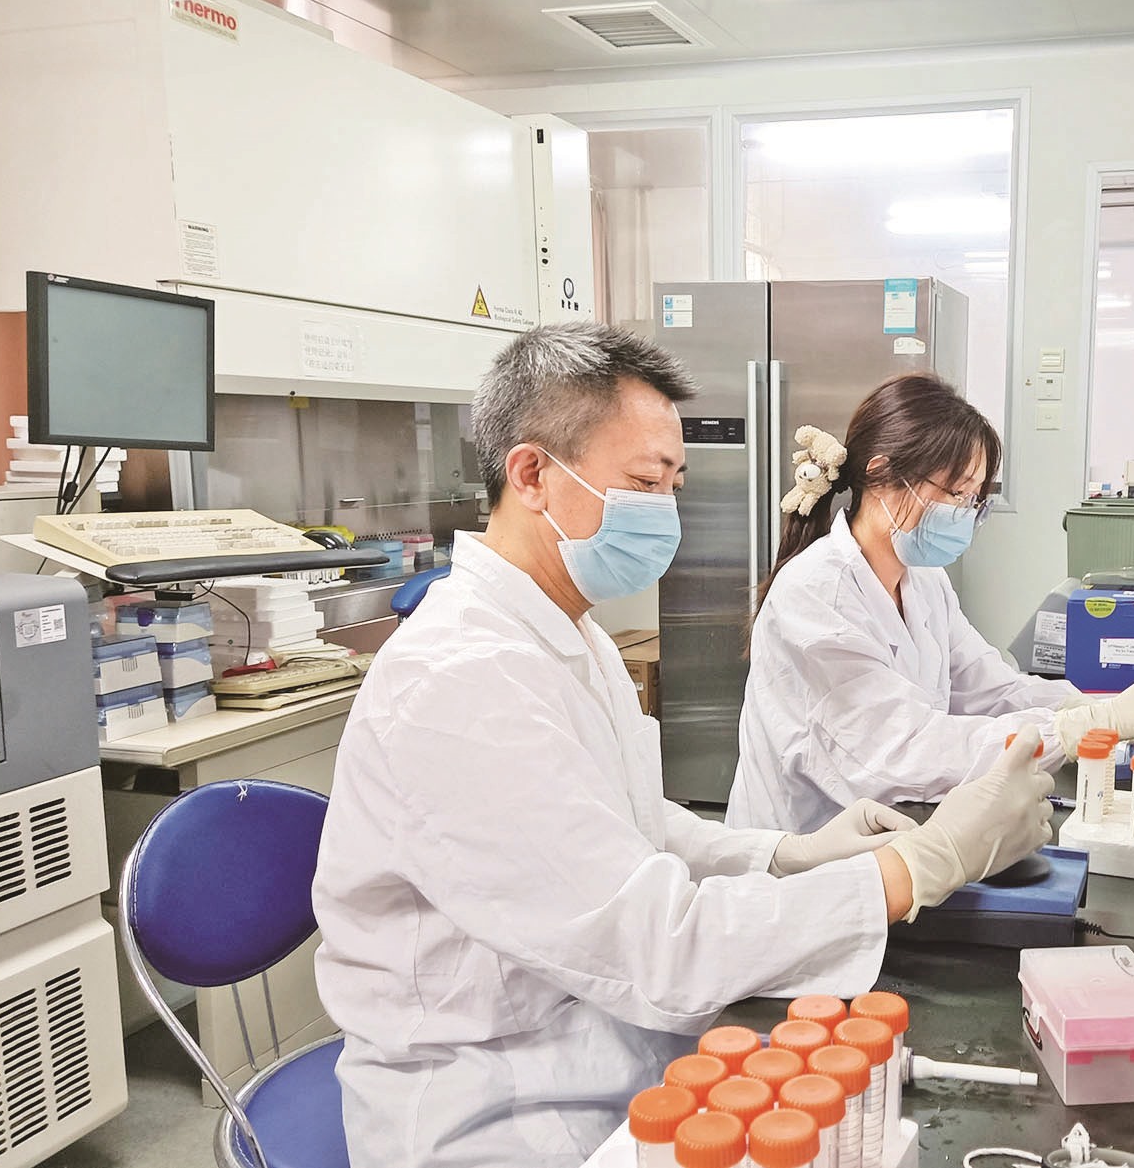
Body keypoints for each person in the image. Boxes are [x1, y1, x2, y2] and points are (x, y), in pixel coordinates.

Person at [310, 324, 1054, 1168]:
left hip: (612, 1056)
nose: (665, 510)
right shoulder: (458, 680)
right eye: (643, 482)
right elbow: (658, 944)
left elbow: (632, 821)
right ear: (532, 474)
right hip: (501, 1113)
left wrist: (785, 854)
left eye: (673, 484)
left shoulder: (565, 634)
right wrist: (914, 868)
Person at [729, 373, 1134, 834]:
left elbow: (991, 690)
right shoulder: (816, 595)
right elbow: (900, 751)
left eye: (975, 499)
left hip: (890, 839)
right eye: (956, 492)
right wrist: (1090, 726)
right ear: (881, 473)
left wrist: (1110, 709)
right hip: (802, 855)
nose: (964, 513)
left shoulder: (924, 581)